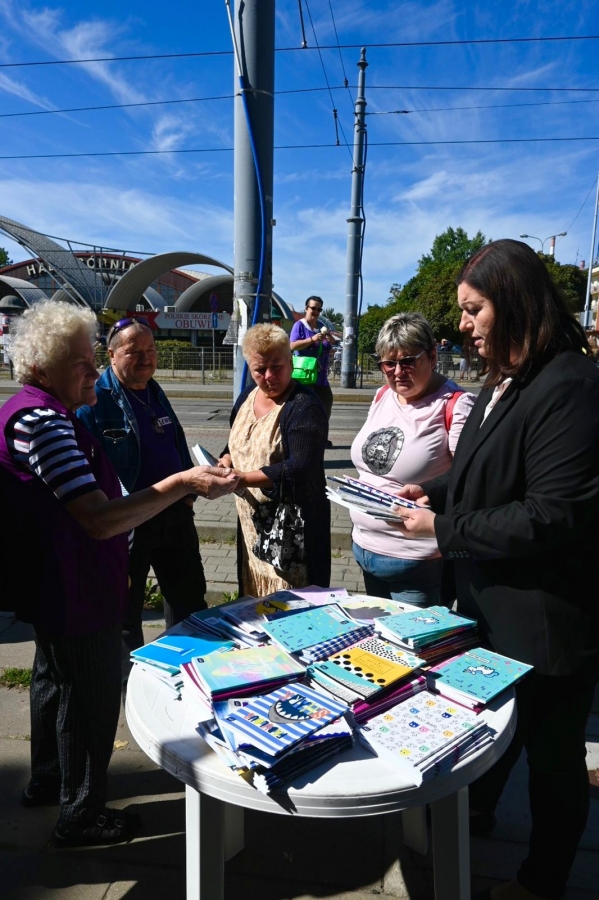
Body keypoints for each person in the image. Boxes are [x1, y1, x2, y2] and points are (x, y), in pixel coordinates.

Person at [395, 240, 599, 900]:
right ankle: (476, 813)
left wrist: (442, 531)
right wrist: (435, 494)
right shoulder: (505, 376)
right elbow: (484, 473)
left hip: (546, 624)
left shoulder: (569, 384)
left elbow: (550, 514)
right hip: (494, 609)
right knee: (497, 731)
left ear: (512, 304)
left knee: (553, 762)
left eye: (473, 308)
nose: (462, 324)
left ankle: (543, 881)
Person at [0, 300, 238, 847]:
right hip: (77, 590)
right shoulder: (45, 423)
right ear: (42, 369)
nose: (93, 371)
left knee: (54, 681)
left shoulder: (33, 411)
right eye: (81, 362)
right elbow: (98, 519)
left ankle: (49, 779)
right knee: (90, 698)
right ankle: (81, 815)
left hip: (57, 584)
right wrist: (183, 483)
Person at [77, 317, 208, 681]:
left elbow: (176, 441)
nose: (146, 358)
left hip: (174, 514)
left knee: (188, 599)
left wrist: (188, 497)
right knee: (125, 612)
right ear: (112, 354)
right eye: (134, 352)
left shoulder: (153, 389)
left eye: (151, 350)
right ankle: (129, 686)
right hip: (129, 524)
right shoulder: (95, 400)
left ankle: (187, 673)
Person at [350, 312, 475, 606]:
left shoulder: (455, 405)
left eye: (408, 361)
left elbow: (467, 478)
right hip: (365, 550)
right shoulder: (382, 395)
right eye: (388, 364)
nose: (397, 372)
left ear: (432, 356)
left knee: (413, 637)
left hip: (417, 562)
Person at [220, 323, 330, 596]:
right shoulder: (247, 396)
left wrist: (244, 478)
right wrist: (226, 458)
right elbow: (237, 439)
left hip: (292, 533)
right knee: (253, 602)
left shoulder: (304, 405)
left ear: (290, 362)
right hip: (252, 527)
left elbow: (301, 467)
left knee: (292, 606)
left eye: (277, 367)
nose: (269, 376)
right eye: (260, 369)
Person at [289, 296, 336, 444]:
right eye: (313, 308)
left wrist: (330, 340)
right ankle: (302, 439)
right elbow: (292, 345)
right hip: (305, 375)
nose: (316, 311)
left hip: (321, 376)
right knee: (305, 408)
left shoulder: (321, 325)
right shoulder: (299, 326)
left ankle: (320, 437)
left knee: (325, 404)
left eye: (319, 309)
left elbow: (328, 346)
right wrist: (312, 340)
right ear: (306, 308)